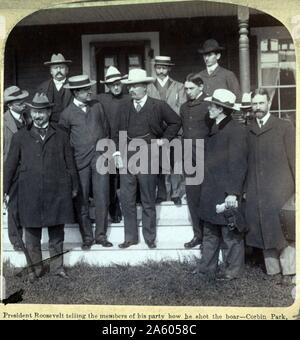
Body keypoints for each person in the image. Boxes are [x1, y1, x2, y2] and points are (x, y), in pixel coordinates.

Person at [4, 93, 78, 282]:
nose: (37, 116)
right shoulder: (21, 136)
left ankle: (57, 268)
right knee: (31, 235)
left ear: (49, 112)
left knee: (56, 234)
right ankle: (34, 270)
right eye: (34, 112)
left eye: (41, 112)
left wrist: (74, 186)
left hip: (57, 191)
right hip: (29, 191)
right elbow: (10, 165)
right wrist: (3, 189)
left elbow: (70, 163)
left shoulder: (61, 135)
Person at [113, 69, 182, 249]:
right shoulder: (124, 107)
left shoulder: (158, 105)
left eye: (135, 86)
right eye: (130, 86)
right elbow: (116, 132)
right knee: (127, 199)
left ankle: (149, 238)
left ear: (144, 87)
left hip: (149, 157)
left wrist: (164, 140)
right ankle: (130, 238)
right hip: (127, 158)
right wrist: (117, 155)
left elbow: (176, 122)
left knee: (147, 199)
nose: (131, 90)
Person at [195, 89, 248, 281]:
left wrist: (233, 193)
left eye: (212, 105)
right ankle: (206, 269)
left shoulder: (236, 130)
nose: (209, 108)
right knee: (210, 232)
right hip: (211, 190)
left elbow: (238, 163)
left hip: (226, 192)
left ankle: (232, 272)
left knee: (230, 234)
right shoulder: (215, 127)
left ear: (221, 109)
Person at [245, 89, 295, 285]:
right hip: (258, 190)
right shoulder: (249, 130)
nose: (257, 107)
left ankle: (289, 271)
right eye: (254, 104)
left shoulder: (283, 127)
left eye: (261, 103)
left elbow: (294, 159)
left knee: (284, 230)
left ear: (268, 104)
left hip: (281, 189)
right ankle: (273, 272)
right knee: (263, 228)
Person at [59, 75, 112, 250]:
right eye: (85, 90)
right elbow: (64, 143)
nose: (89, 91)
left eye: (89, 88)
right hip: (79, 163)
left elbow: (106, 130)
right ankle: (87, 237)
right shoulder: (66, 115)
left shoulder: (97, 106)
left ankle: (101, 236)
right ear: (75, 92)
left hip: (99, 160)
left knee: (102, 197)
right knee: (81, 201)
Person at [148, 56, 186, 205]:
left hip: (174, 131)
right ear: (155, 68)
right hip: (156, 131)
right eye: (158, 67)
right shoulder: (150, 87)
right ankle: (162, 193)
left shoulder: (179, 87)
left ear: (169, 69)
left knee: (175, 163)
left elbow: (179, 109)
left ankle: (175, 193)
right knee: (158, 163)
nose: (161, 70)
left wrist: (172, 125)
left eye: (164, 68)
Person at [180, 74, 211, 249]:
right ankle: (197, 235)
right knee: (192, 198)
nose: (188, 91)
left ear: (200, 87)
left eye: (191, 88)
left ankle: (210, 237)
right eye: (186, 88)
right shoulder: (184, 108)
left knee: (207, 197)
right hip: (189, 160)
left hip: (206, 159)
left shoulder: (208, 105)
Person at [98, 66, 129, 223]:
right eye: (112, 85)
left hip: (126, 143)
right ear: (108, 86)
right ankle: (113, 210)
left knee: (125, 177)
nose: (116, 87)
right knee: (111, 179)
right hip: (107, 143)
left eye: (118, 84)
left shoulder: (128, 99)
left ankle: (128, 208)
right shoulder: (100, 100)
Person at [3, 86, 29, 251]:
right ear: (10, 105)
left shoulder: (28, 119)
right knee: (14, 204)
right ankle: (16, 240)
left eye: (22, 99)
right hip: (12, 169)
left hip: (28, 167)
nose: (22, 103)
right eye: (18, 101)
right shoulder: (3, 122)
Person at [38, 53, 73, 123]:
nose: (58, 70)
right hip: (50, 126)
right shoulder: (43, 87)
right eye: (55, 68)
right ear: (51, 71)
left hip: (69, 124)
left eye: (62, 67)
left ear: (67, 70)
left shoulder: (73, 86)